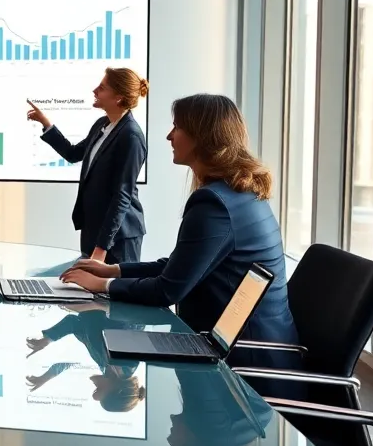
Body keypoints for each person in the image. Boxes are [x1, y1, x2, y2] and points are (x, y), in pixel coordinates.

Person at [61, 94, 299, 368]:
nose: (169, 136)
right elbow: (179, 267)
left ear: (201, 136)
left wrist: (102, 286)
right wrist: (114, 270)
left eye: (177, 127)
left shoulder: (214, 204)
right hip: (250, 346)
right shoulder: (237, 194)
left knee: (116, 347)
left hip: (247, 364)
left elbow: (167, 291)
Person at [27, 67, 149, 264]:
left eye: (102, 88)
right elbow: (73, 153)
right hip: (94, 231)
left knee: (115, 293)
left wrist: (102, 247)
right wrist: (45, 123)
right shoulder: (102, 124)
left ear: (118, 97)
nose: (95, 91)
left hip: (118, 238)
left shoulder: (131, 136)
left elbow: (122, 196)